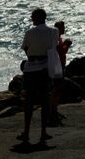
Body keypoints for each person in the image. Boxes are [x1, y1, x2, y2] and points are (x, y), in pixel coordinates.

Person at [18, 8, 59, 143]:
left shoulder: (30, 32)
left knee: (29, 102)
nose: (31, 18)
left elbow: (25, 48)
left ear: (36, 18)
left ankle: (27, 132)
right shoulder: (54, 31)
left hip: (31, 68)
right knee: (44, 101)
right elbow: (54, 47)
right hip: (45, 68)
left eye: (32, 17)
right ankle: (43, 132)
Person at [49, 21, 72, 125]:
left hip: (60, 65)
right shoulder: (56, 39)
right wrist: (67, 44)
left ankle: (54, 110)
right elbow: (60, 51)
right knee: (56, 89)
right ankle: (52, 111)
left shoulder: (57, 38)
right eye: (62, 27)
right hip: (58, 66)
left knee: (57, 89)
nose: (64, 29)